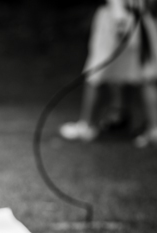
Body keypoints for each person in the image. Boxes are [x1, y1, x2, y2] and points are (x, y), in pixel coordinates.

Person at [59, 0, 157, 147]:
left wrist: (119, 18)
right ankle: (146, 126)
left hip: (119, 21)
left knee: (97, 71)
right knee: (143, 73)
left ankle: (87, 125)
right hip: (139, 19)